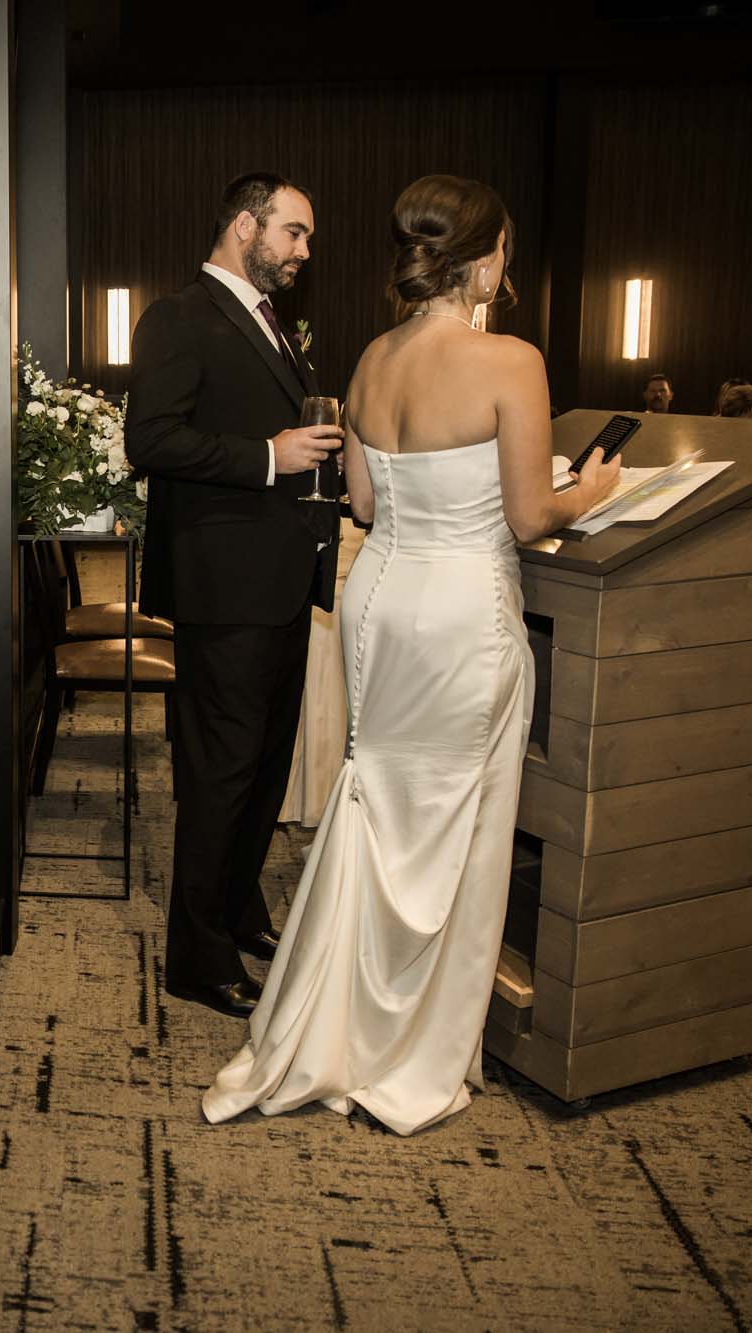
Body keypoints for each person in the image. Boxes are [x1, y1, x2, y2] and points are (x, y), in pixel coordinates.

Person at [202, 175, 619, 1135]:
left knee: (380, 801)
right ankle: (409, 1045)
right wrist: (587, 490)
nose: (505, 269)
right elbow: (527, 516)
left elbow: (364, 506)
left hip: (378, 600)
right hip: (459, 607)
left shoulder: (372, 357)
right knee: (454, 823)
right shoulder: (511, 360)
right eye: (504, 251)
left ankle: (332, 1017)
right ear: (480, 258)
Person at [125, 172, 346, 1020]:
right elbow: (152, 439)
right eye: (294, 232)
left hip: (283, 579)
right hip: (226, 589)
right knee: (219, 771)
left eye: (307, 238)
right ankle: (195, 953)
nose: (303, 251)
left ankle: (237, 906)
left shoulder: (270, 324)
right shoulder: (179, 315)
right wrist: (269, 456)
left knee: (263, 764)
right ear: (245, 224)